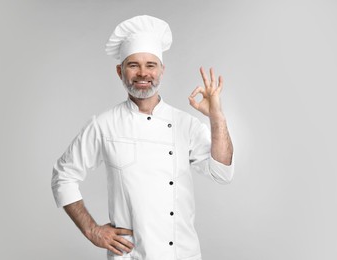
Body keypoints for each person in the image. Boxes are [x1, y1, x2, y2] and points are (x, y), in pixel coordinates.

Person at [52, 15, 234, 260]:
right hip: (131, 256)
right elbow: (63, 176)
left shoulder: (185, 124)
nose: (142, 73)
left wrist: (217, 117)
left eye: (150, 65)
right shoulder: (104, 124)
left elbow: (222, 173)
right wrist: (91, 230)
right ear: (120, 71)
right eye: (133, 65)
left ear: (162, 70)